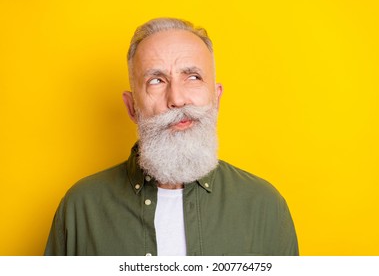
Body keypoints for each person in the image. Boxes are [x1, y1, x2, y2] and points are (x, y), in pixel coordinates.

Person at [44, 17, 299, 256]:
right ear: (132, 107)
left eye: (193, 77)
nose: (176, 99)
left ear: (217, 98)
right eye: (156, 81)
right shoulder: (80, 208)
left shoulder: (265, 206)